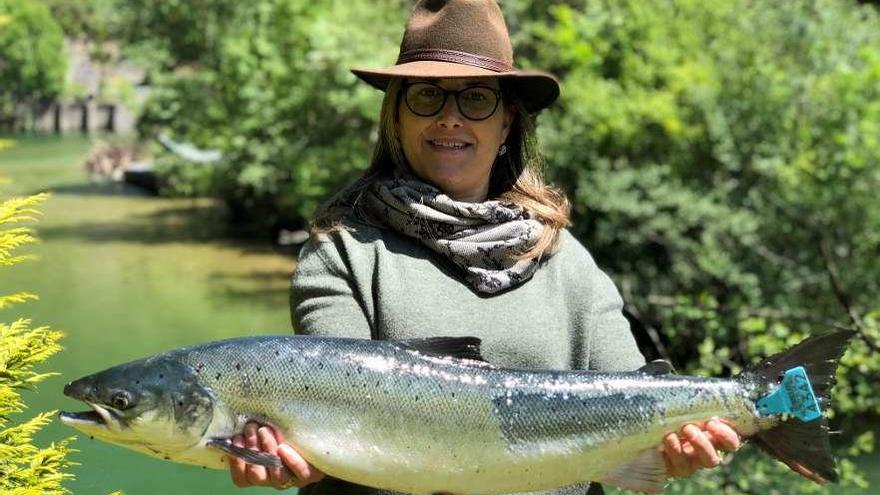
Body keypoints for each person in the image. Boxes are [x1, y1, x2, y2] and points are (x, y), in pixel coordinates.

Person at [228, 0, 741, 493]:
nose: (450, 117)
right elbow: (331, 411)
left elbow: (636, 401)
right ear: (397, 118)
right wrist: (289, 455)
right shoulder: (342, 253)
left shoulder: (565, 260)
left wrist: (673, 447)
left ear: (507, 124)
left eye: (476, 97)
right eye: (427, 95)